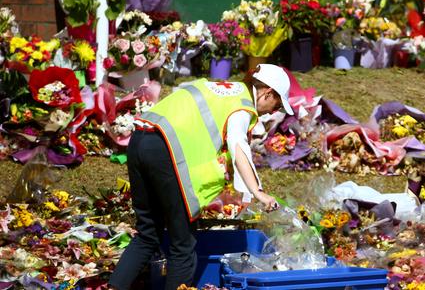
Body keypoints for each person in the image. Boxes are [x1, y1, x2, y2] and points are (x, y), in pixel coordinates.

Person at [108, 64, 294, 290]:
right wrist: (258, 191)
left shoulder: (221, 88)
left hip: (139, 142)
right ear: (267, 93)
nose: (274, 112)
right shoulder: (243, 106)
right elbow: (238, 148)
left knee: (148, 234)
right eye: (277, 104)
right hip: (166, 152)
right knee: (183, 246)